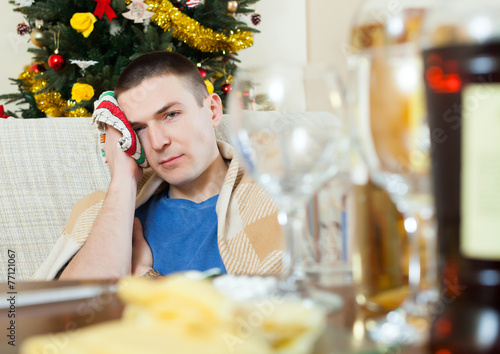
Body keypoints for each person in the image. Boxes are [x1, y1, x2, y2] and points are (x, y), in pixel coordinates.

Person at [33, 51, 283, 280]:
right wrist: (122, 180)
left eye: (171, 115)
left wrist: (147, 277)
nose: (158, 142)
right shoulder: (109, 214)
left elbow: (273, 318)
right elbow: (72, 315)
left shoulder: (277, 196)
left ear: (213, 110)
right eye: (139, 128)